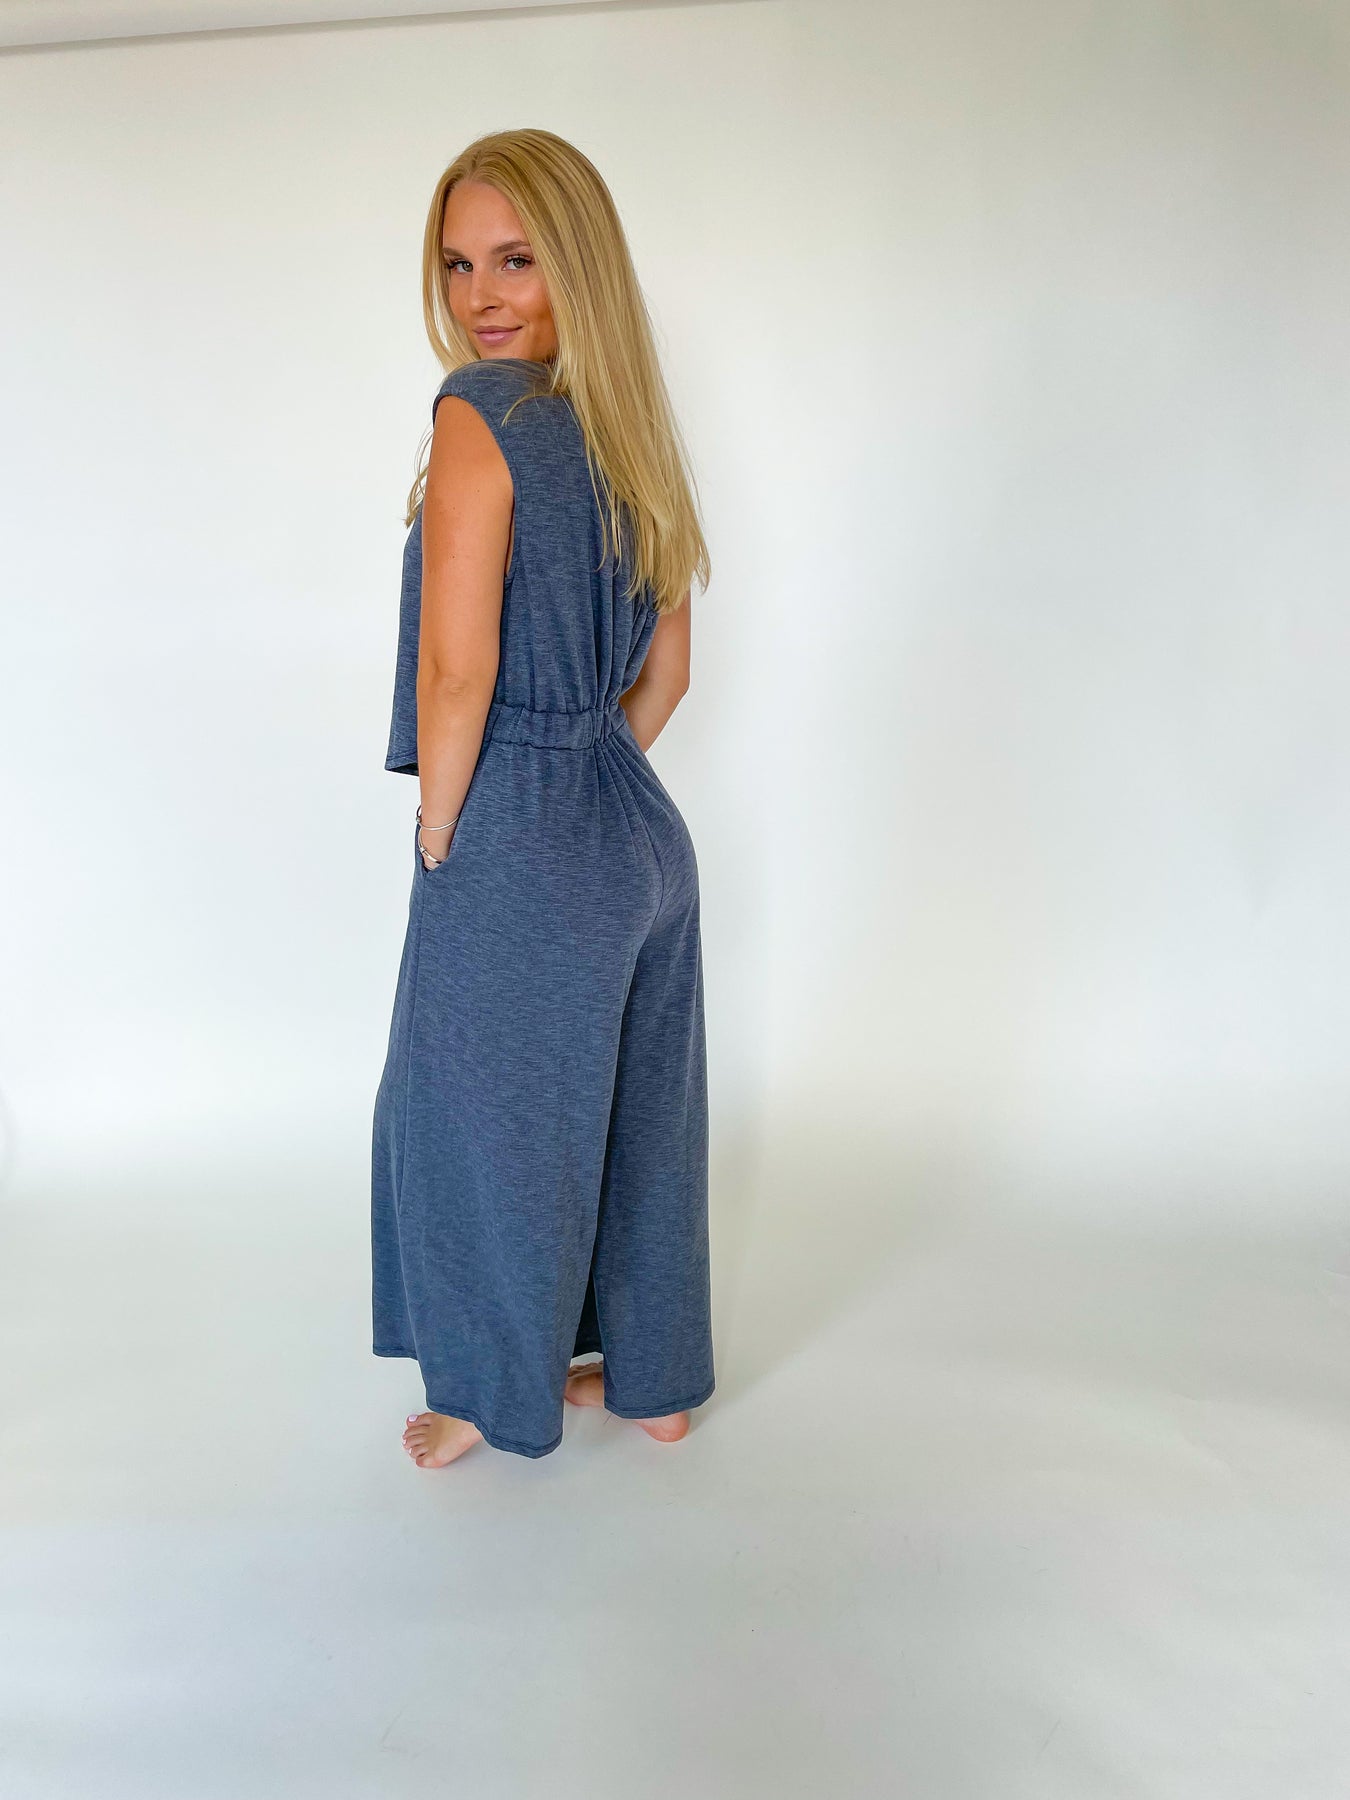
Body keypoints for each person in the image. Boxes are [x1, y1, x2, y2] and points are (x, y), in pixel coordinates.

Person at [371, 129, 715, 1468]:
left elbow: (456, 672)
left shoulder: (481, 413)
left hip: (514, 823)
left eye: (515, 259)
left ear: (578, 264)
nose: (480, 296)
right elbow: (668, 670)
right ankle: (655, 1384)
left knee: (475, 1121)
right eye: (459, 265)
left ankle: (483, 1394)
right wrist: (591, 769)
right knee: (640, 1117)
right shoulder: (632, 429)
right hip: (637, 834)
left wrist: (445, 828)